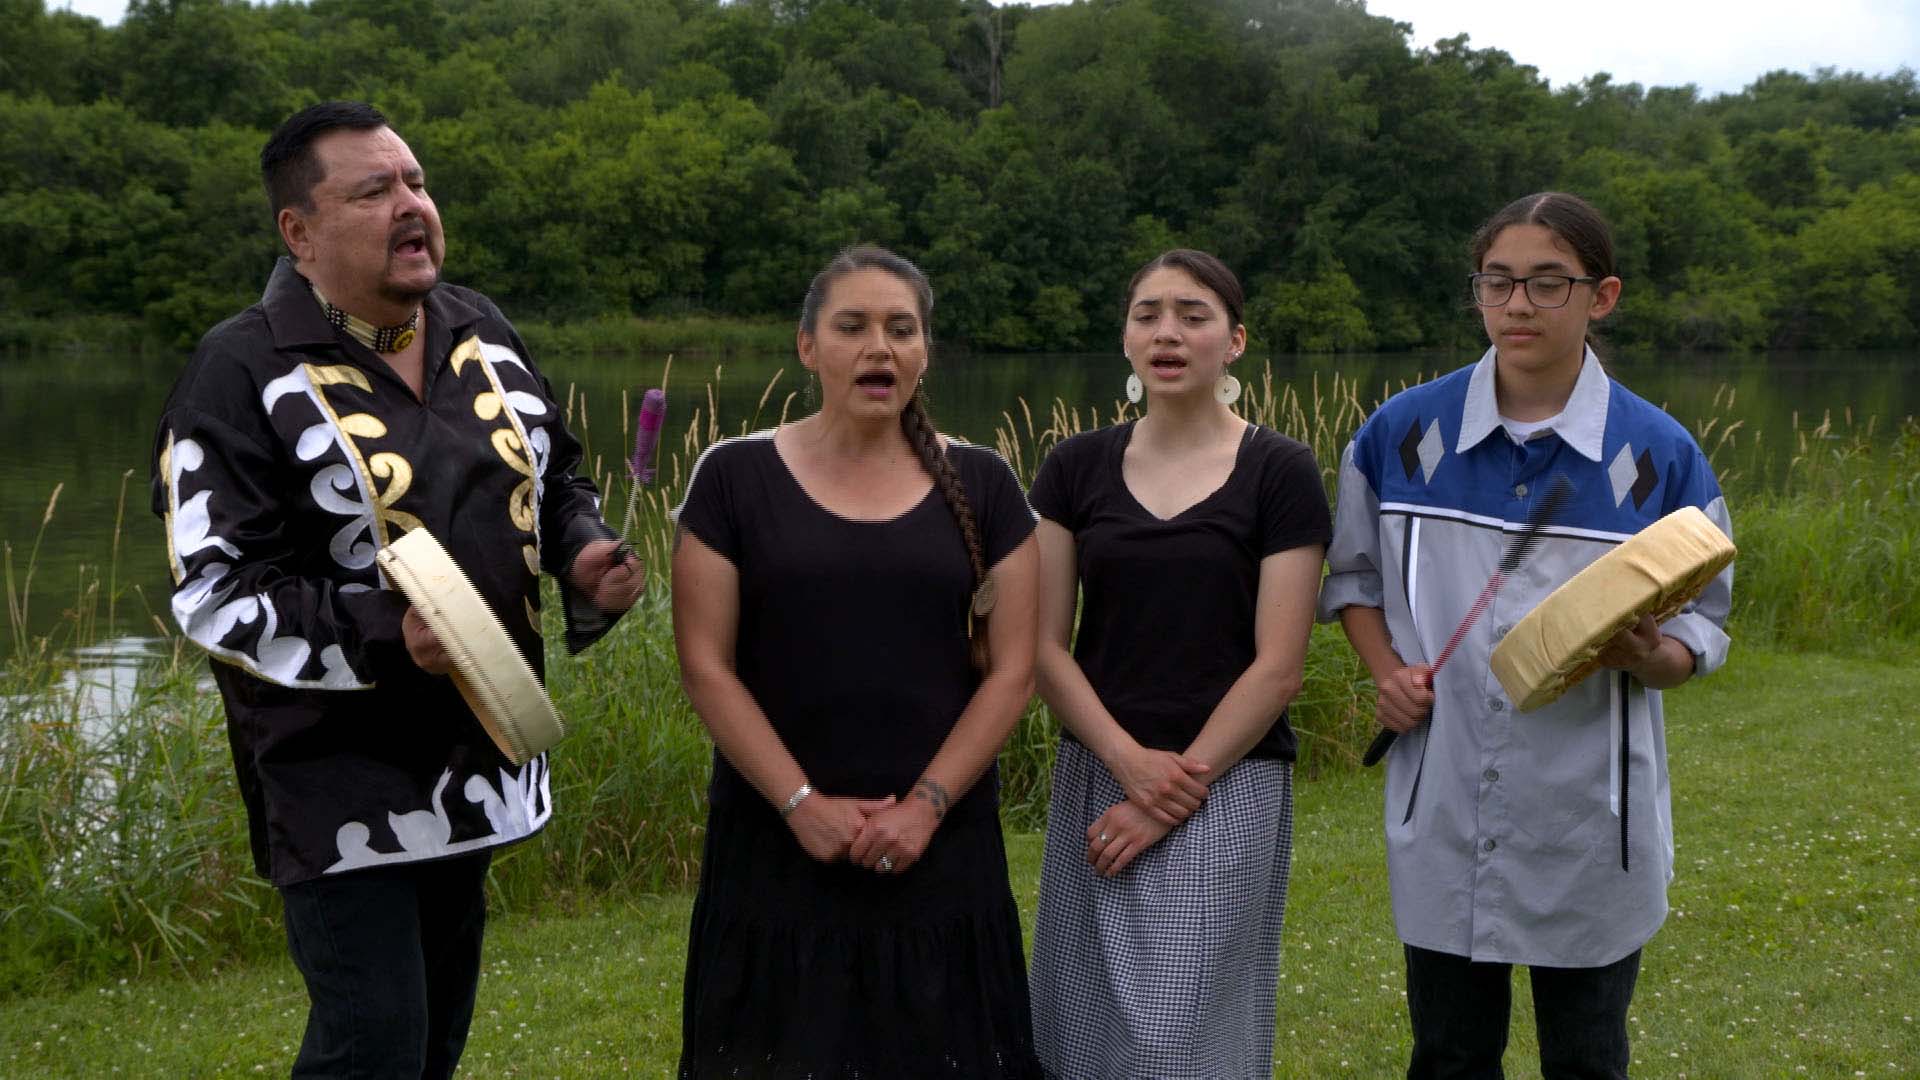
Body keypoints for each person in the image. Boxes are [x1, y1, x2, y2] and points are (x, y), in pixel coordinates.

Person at [150, 101, 643, 1079]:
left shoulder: (477, 327)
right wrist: (386, 631)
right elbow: (215, 593)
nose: (410, 205)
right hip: (335, 778)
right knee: (370, 1045)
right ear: (299, 232)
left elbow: (553, 482)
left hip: (476, 752)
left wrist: (582, 551)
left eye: (415, 182)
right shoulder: (239, 369)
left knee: (432, 1044)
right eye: (373, 191)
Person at [1318, 192, 1734, 1079]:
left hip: (1590, 815)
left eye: (1549, 285)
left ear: (1603, 295)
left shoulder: (1660, 456)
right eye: (1498, 283)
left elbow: (1705, 625)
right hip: (1443, 793)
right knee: (1448, 1053)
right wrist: (1384, 670)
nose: (1517, 306)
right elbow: (1352, 578)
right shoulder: (1401, 436)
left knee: (1586, 1059)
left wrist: (1650, 653)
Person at [671, 244, 1043, 1077]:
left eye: (901, 329)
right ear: (809, 347)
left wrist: (925, 808)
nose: (880, 347)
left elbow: (1013, 671)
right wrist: (802, 804)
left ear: (924, 351)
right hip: (774, 845)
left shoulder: (984, 484)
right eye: (853, 326)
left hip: (941, 852)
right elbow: (706, 665)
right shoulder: (732, 478)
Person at [1026, 249, 1330, 1079]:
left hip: (1227, 779)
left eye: (1192, 315)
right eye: (1147, 314)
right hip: (1099, 773)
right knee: (1080, 1027)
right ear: (1125, 337)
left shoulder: (1281, 470)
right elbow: (1044, 646)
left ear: (1234, 342)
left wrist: (1170, 796)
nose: (1167, 333)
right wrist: (1127, 765)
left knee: (1182, 1038)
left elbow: (1278, 668)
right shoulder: (1072, 469)